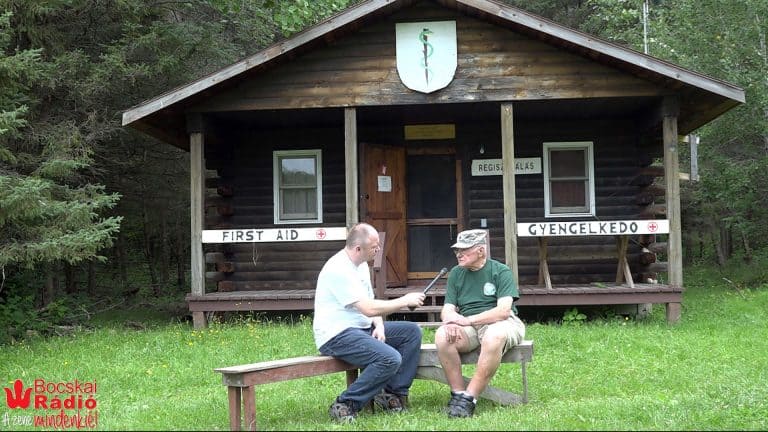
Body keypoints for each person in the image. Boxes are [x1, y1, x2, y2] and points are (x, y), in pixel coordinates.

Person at [313, 222, 426, 423]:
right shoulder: (338, 269)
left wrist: (379, 325)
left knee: (411, 332)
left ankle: (391, 395)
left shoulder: (362, 265)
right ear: (358, 248)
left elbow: (369, 300)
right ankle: (345, 404)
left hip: (361, 329)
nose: (379, 249)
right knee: (390, 358)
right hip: (336, 335)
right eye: (375, 246)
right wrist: (404, 301)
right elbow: (367, 308)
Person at [435, 229, 526, 418]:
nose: (459, 254)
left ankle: (469, 399)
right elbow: (448, 308)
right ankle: (458, 395)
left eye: (464, 250)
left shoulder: (500, 271)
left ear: (480, 251)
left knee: (494, 336)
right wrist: (449, 321)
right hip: (470, 327)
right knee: (443, 336)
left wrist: (466, 320)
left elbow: (503, 311)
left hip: (502, 323)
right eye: (457, 250)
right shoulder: (456, 274)